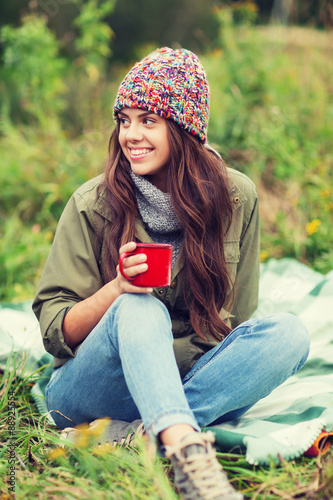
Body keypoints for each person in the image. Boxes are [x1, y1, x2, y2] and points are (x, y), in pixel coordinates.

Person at [33, 47, 310, 500]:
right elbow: (53, 330)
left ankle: (147, 433)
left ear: (183, 129)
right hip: (92, 390)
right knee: (138, 307)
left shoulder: (236, 197)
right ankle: (187, 454)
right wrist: (117, 290)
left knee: (290, 334)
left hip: (185, 379)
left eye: (148, 120)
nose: (131, 135)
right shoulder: (91, 205)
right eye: (125, 119)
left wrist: (180, 365)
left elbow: (236, 319)